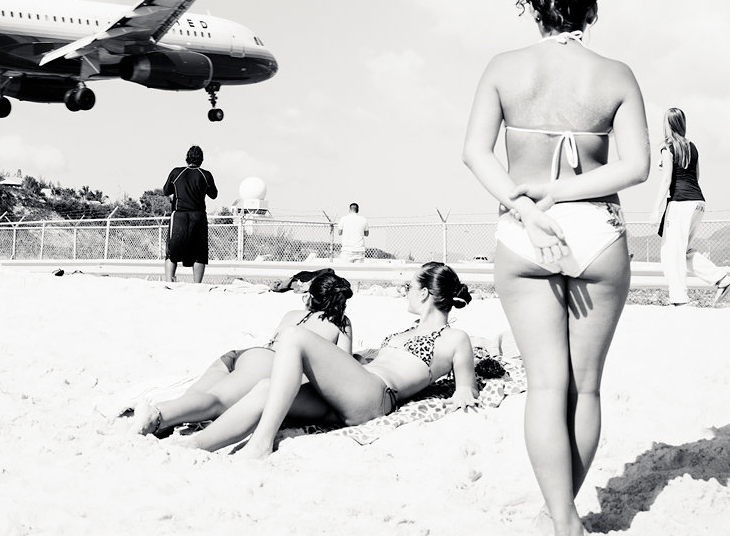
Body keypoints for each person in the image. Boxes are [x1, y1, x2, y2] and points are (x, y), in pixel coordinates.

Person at [462, 0, 650, 536]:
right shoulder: (615, 76)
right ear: (589, 9)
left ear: (533, 6)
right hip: (597, 228)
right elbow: (637, 167)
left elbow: (474, 153)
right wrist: (563, 195)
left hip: (523, 232)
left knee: (544, 385)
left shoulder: (503, 67)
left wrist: (526, 200)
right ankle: (564, 515)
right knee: (585, 386)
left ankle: (562, 521)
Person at [186, 262, 478, 457]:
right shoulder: (406, 331)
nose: (406, 292)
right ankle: (195, 445)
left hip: (375, 396)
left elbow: (466, 386)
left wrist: (464, 390)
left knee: (293, 336)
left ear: (425, 293)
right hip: (353, 393)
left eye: (409, 287)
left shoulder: (455, 337)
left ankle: (261, 442)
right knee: (265, 387)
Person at [132, 269, 354, 436]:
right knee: (216, 401)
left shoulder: (292, 313)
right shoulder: (341, 324)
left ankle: (166, 418)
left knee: (199, 396)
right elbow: (344, 370)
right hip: (264, 364)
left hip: (243, 354)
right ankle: (157, 414)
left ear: (310, 297)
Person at [652, 108, 730, 306]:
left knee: (671, 253)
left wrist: (656, 208)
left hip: (680, 203)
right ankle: (721, 279)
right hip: (698, 202)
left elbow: (666, 180)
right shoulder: (692, 147)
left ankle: (679, 300)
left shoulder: (668, 147)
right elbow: (695, 175)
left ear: (667, 124)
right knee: (682, 251)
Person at [162, 145, 217, 283]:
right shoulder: (206, 175)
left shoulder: (176, 172)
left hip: (179, 215)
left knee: (171, 251)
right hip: (198, 216)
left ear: (187, 158)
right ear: (202, 160)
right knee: (199, 253)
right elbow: (214, 195)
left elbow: (165, 191)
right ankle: (197, 284)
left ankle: (169, 281)